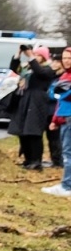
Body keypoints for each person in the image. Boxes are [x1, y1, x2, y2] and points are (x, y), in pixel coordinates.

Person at [8, 46, 56, 168]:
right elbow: (14, 68)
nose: (35, 57)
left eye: (38, 55)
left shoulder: (48, 69)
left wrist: (30, 56)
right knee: (22, 131)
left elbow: (39, 72)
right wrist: (18, 53)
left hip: (37, 102)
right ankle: (28, 160)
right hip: (24, 99)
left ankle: (36, 161)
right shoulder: (26, 69)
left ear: (44, 57)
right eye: (34, 54)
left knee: (33, 132)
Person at [46, 62, 71, 196]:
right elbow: (53, 95)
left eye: (69, 58)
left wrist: (60, 91)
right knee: (67, 153)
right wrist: (55, 120)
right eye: (64, 58)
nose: (66, 61)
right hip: (63, 116)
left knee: (68, 154)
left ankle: (67, 186)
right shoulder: (64, 76)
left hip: (69, 117)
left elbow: (62, 94)